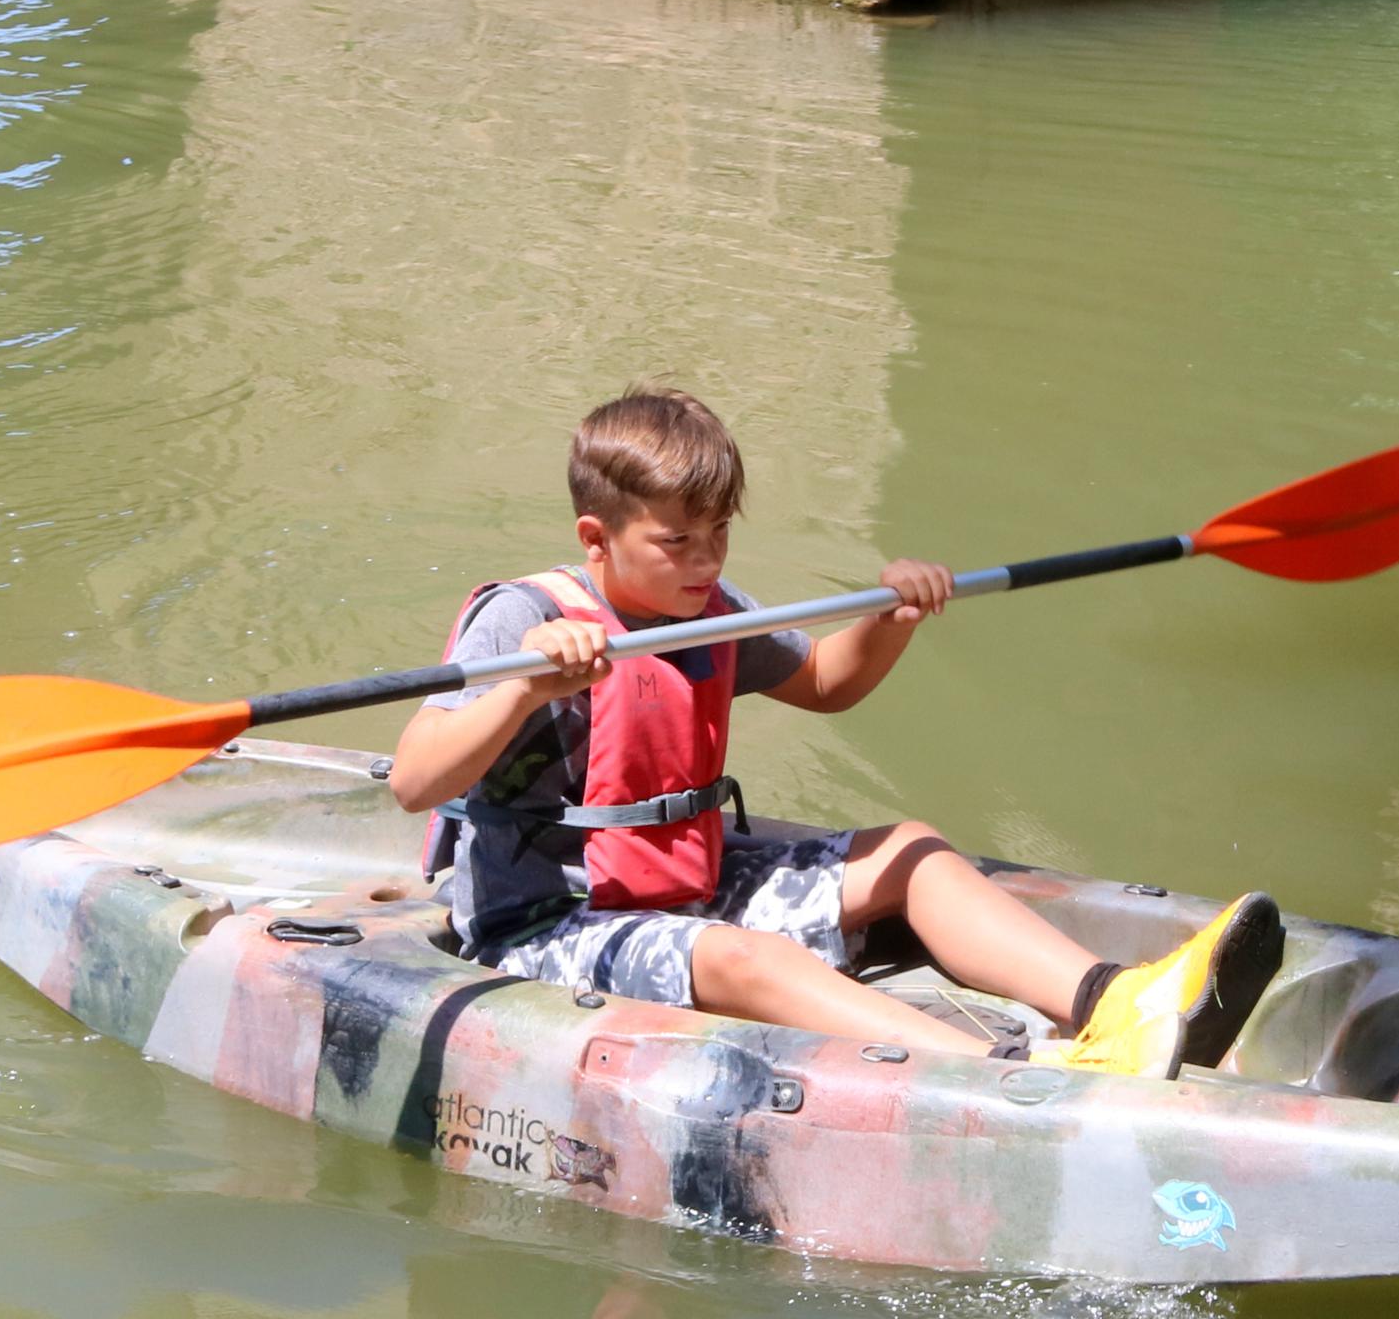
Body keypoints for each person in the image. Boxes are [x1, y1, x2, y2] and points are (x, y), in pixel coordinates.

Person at [387, 388, 1280, 1076]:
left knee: (912, 850)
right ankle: (1001, 1073)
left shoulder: (706, 609)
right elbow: (413, 781)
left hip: (683, 882)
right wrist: (521, 688)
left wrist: (892, 616)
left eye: (719, 533)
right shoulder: (520, 621)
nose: (705, 562)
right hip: (547, 920)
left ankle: (1112, 1004)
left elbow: (822, 682)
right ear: (597, 536)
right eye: (677, 541)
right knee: (745, 957)